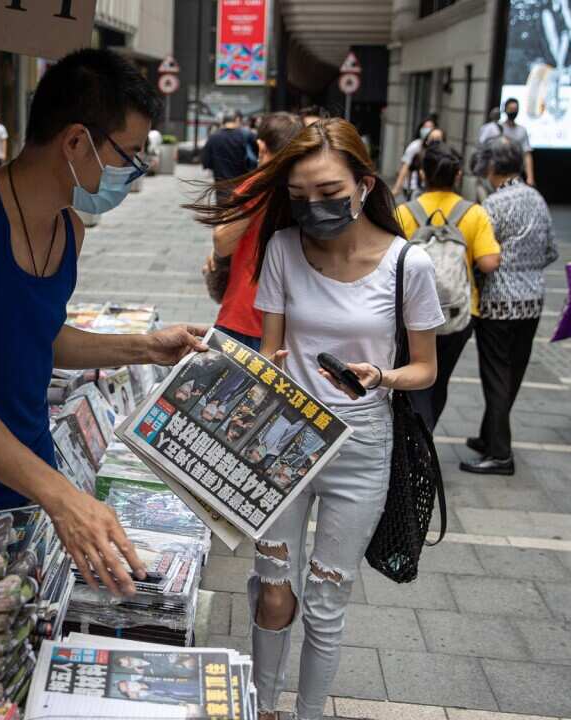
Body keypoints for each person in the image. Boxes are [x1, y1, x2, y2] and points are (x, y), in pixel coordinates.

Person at [0, 48, 207, 599]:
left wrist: (145, 347)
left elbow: (39, 338)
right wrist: (62, 495)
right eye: (130, 155)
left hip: (20, 488)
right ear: (76, 141)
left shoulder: (70, 230)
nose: (135, 172)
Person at [191, 118, 443, 720]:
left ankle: (304, 713)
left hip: (361, 448)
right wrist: (259, 370)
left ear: (363, 183)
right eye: (300, 198)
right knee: (274, 591)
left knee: (328, 601)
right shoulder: (281, 250)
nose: (315, 208)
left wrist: (380, 376)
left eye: (329, 194)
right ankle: (263, 707)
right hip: (283, 442)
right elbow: (271, 348)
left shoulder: (409, 265)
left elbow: (426, 369)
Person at [461, 137, 557, 475]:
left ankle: (500, 453)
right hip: (533, 300)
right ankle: (490, 435)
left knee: (496, 376)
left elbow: (479, 256)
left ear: (490, 166)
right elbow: (551, 252)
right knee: (512, 373)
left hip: (498, 303)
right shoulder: (537, 198)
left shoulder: (493, 205)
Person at [395, 142, 501, 431]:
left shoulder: (404, 213)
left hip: (408, 314)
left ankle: (414, 436)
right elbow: (489, 262)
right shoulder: (474, 213)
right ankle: (426, 433)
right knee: (439, 379)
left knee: (413, 376)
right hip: (458, 314)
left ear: (422, 173)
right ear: (457, 175)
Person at [206, 112, 302, 350]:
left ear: (261, 147)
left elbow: (222, 241)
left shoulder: (256, 186)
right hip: (293, 323)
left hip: (245, 315)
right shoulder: (307, 186)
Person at [200, 110, 256, 187]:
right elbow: (256, 156)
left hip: (221, 185)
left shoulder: (213, 137)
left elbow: (206, 162)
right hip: (242, 184)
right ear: (237, 120)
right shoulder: (246, 135)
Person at [391, 114, 438, 198]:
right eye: (425, 127)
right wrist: (397, 188)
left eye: (430, 127)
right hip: (414, 188)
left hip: (429, 189)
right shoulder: (415, 146)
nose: (427, 130)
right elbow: (405, 167)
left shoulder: (437, 148)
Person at [498, 98, 535, 186]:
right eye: (511, 109)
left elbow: (527, 154)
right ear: (505, 110)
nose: (513, 112)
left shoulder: (522, 130)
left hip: (515, 173)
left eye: (515, 110)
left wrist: (530, 177)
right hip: (499, 171)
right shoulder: (498, 128)